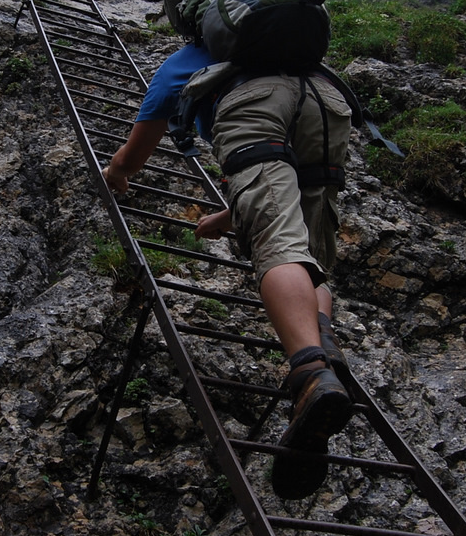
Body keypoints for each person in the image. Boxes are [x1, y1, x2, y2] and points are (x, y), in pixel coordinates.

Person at [103, 39, 354, 500]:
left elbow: (138, 148)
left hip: (258, 105)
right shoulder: (287, 51)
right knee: (307, 255)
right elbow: (280, 182)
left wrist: (117, 172)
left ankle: (310, 374)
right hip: (329, 101)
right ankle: (325, 343)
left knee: (278, 246)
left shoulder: (186, 60)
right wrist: (226, 216)